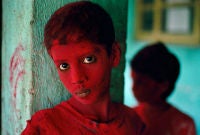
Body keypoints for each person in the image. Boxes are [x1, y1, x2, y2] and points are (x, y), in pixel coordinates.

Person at [21, 1, 144, 135]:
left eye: (88, 59)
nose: (77, 78)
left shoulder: (133, 123)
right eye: (64, 66)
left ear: (114, 55)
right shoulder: (44, 127)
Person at [130, 41, 196, 135]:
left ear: (163, 86)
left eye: (140, 82)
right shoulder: (130, 117)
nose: (133, 87)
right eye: (133, 80)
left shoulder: (183, 124)